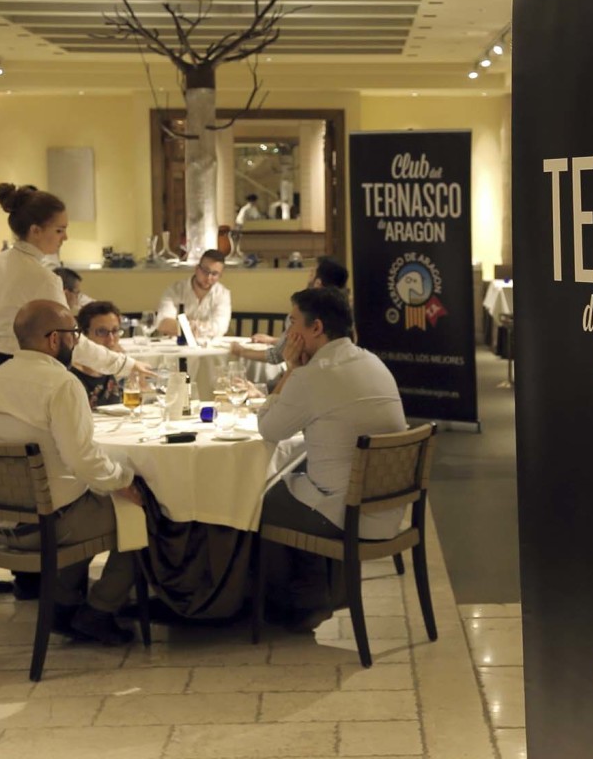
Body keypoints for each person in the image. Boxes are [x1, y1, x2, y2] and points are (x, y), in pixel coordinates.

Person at [0, 182, 153, 596]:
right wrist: (124, 363)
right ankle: (50, 581)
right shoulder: (43, 277)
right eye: (60, 229)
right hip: (33, 365)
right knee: (47, 458)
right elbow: (68, 340)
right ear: (36, 230)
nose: (65, 236)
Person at [0, 299, 143, 644]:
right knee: (142, 514)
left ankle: (64, 605)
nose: (77, 342)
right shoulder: (62, 384)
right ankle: (100, 610)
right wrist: (124, 481)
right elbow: (83, 459)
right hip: (46, 524)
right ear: (54, 339)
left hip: (1, 519)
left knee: (80, 500)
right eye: (75, 335)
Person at [257, 287, 406, 630]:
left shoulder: (312, 374)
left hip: (348, 513)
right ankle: (311, 596)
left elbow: (268, 429)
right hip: (386, 506)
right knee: (298, 480)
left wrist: (291, 369)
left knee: (254, 499)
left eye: (292, 321)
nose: (287, 331)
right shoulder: (371, 359)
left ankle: (284, 603)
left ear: (316, 328)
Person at [231, 256, 349, 367]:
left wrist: (240, 351)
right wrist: (273, 340)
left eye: (312, 273)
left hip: (304, 374)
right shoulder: (342, 312)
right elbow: (303, 341)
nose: (308, 276)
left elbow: (276, 356)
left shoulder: (306, 311)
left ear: (318, 283)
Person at [155, 248, 231, 339]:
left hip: (207, 348)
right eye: (205, 271)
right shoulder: (175, 290)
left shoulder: (222, 294)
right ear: (197, 269)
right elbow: (163, 323)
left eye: (214, 274)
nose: (208, 277)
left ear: (220, 276)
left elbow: (220, 327)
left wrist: (188, 327)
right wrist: (189, 327)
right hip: (175, 347)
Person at [71, 301, 125, 409]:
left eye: (115, 331)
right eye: (102, 332)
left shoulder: (118, 368)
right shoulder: (71, 378)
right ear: (83, 335)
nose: (111, 340)